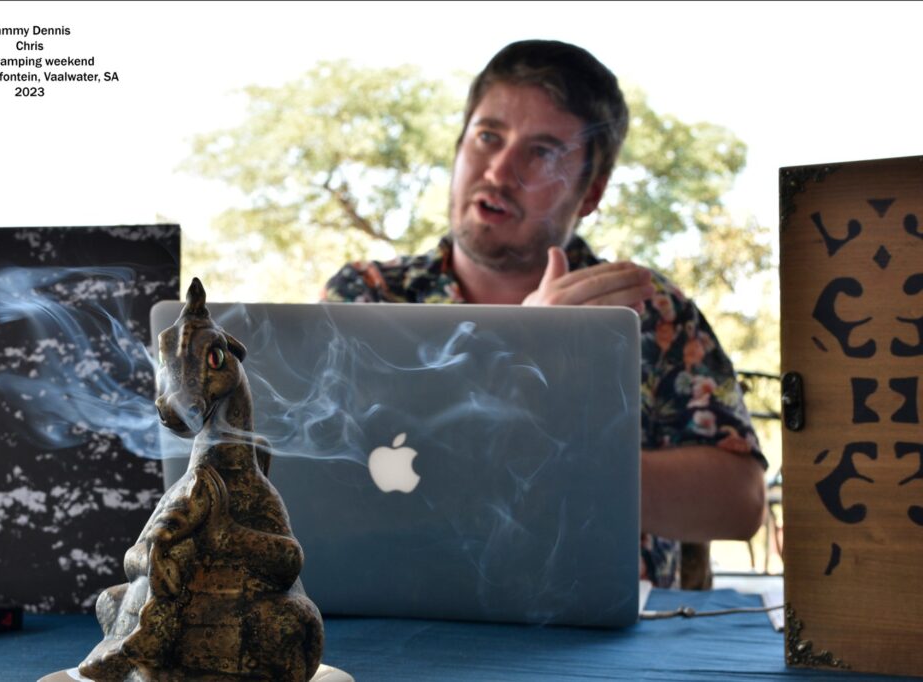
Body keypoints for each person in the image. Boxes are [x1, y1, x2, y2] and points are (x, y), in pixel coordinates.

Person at [322, 39, 766, 589]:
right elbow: (318, 481)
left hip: (607, 634)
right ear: (459, 147)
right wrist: (521, 350)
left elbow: (739, 503)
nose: (500, 170)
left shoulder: (644, 309)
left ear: (591, 192)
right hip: (400, 613)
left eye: (543, 152)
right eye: (488, 136)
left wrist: (557, 455)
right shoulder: (368, 297)